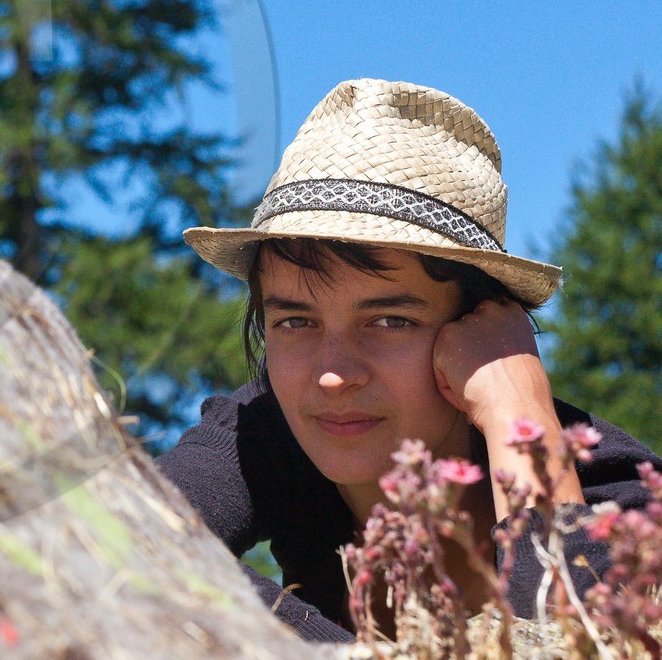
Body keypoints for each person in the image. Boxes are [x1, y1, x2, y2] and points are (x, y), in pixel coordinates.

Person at [156, 78, 662, 642]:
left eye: (390, 321)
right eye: (296, 322)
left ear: (484, 328)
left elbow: (584, 648)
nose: (333, 375)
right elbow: (125, 537)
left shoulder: (619, 495)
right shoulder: (268, 428)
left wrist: (519, 419)